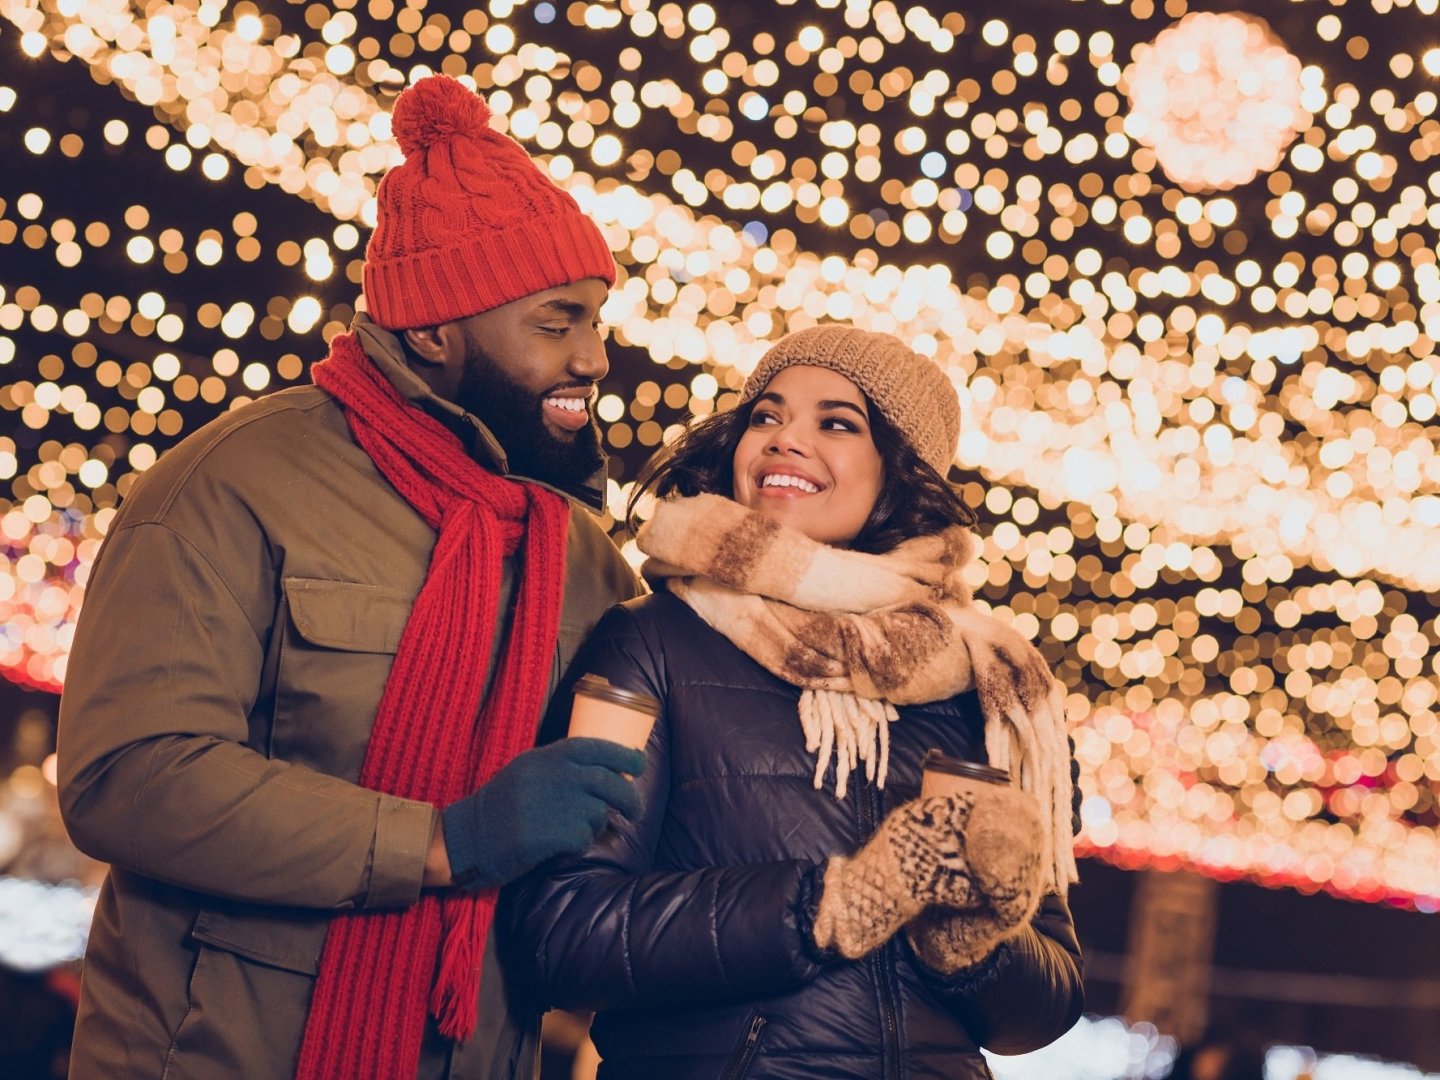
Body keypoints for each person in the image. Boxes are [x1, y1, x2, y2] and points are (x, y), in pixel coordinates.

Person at [56, 75, 647, 1080]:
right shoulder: (232, 484)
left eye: (597, 318)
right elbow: (130, 778)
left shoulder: (580, 556)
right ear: (433, 329)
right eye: (557, 321)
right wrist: (443, 842)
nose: (595, 355)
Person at [506, 325, 1085, 1078]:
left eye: (836, 423)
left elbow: (1048, 1005)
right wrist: (829, 905)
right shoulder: (654, 642)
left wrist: (968, 943)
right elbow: (559, 935)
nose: (785, 440)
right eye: (766, 416)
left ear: (899, 470)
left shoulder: (991, 685)